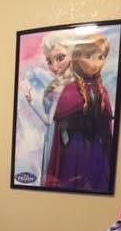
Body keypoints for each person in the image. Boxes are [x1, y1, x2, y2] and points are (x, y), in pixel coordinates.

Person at [45, 34, 113, 192]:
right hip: (74, 152)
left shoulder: (102, 91)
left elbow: (107, 130)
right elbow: (59, 130)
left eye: (101, 57)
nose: (95, 63)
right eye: (88, 57)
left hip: (97, 152)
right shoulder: (69, 90)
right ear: (76, 58)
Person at [21, 30, 75, 183]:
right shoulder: (56, 85)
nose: (54, 66)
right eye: (49, 61)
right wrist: (30, 98)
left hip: (70, 143)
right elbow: (48, 120)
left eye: (60, 58)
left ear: (73, 54)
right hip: (55, 138)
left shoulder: (78, 84)